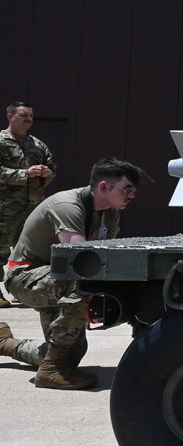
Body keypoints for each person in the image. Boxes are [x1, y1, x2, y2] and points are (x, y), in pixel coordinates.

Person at [0, 157, 148, 390]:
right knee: (82, 283)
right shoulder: (67, 206)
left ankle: (5, 344)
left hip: (54, 279)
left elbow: (107, 258)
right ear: (103, 187)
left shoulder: (109, 212)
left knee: (71, 353)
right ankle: (50, 372)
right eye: (127, 189)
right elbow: (80, 264)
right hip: (24, 276)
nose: (132, 196)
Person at [0, 102, 57, 308]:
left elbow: (52, 168)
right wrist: (25, 174)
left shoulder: (38, 144)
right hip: (5, 206)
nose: (29, 119)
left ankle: (20, 288)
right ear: (10, 116)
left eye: (31, 116)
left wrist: (46, 174)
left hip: (33, 207)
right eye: (24, 115)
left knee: (28, 251)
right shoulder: (1, 141)